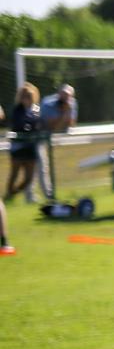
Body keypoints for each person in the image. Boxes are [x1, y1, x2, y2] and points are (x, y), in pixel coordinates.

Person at [3, 83, 43, 255]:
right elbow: (18, 125)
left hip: (31, 148)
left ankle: (12, 194)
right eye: (24, 95)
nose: (26, 98)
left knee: (28, 179)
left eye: (29, 95)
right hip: (18, 147)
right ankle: (7, 196)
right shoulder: (17, 109)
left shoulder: (36, 109)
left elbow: (37, 124)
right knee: (13, 175)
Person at [24, 84, 78, 204]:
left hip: (43, 137)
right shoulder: (48, 103)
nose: (66, 99)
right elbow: (52, 126)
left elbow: (71, 124)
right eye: (64, 96)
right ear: (59, 94)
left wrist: (67, 111)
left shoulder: (71, 103)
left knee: (42, 166)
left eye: (68, 96)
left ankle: (46, 195)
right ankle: (33, 195)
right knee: (36, 166)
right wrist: (64, 114)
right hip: (33, 136)